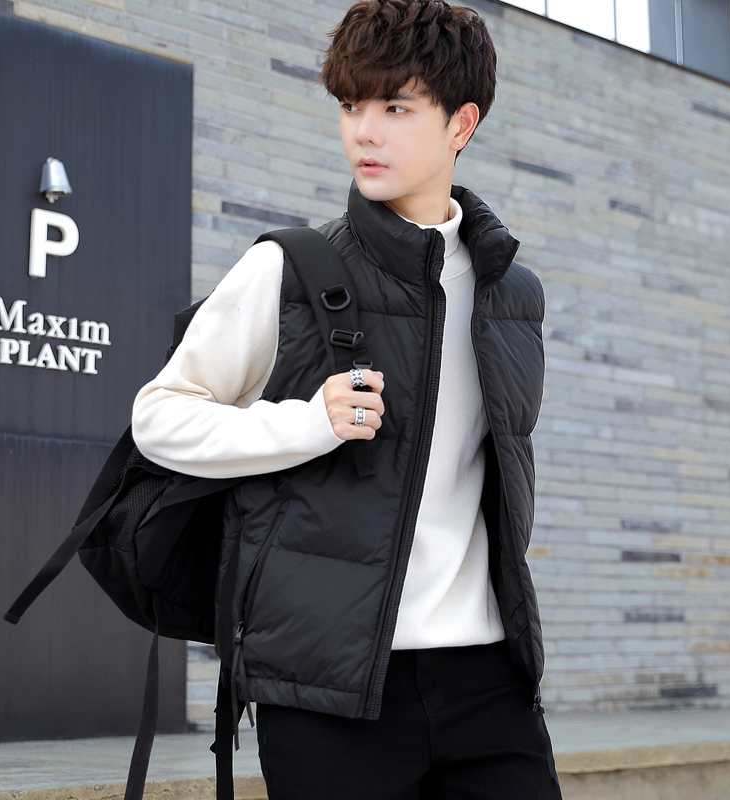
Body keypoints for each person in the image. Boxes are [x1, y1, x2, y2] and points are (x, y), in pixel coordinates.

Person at [132, 1, 560, 797]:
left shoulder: (512, 294)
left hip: (488, 679)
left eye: (395, 107)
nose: (364, 131)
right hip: (328, 688)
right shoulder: (288, 269)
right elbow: (160, 417)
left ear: (462, 123)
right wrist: (307, 423)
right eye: (350, 105)